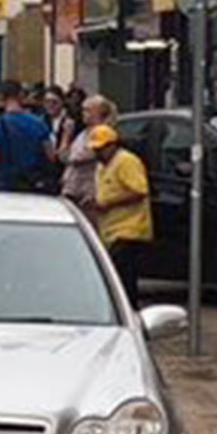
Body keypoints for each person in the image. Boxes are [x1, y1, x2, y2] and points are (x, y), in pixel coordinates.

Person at [90, 124, 153, 307]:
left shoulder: (126, 161)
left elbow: (140, 191)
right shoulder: (103, 165)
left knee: (124, 275)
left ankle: (129, 309)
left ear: (112, 145)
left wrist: (108, 203)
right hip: (111, 229)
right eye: (95, 149)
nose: (97, 153)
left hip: (129, 229)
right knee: (120, 274)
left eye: (100, 149)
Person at [0, 80, 56, 193]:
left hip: (7, 184)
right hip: (34, 183)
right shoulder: (38, 123)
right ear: (21, 95)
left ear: (1, 97)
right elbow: (51, 156)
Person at [60, 95, 116, 216]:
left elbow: (77, 157)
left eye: (88, 110)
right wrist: (66, 136)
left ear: (99, 112)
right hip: (73, 190)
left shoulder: (103, 134)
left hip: (88, 193)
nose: (83, 114)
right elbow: (63, 157)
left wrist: (67, 137)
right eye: (83, 110)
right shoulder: (83, 134)